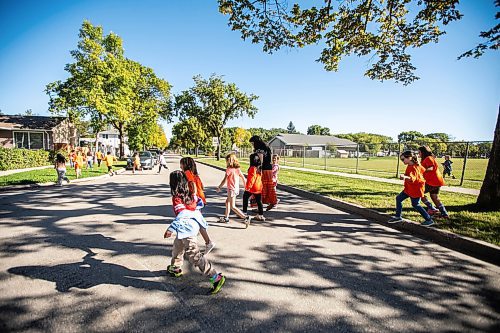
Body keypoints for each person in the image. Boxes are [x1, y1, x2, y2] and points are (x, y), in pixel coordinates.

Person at [164, 170, 225, 295]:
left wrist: (171, 228)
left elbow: (183, 214)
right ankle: (175, 267)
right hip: (190, 228)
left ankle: (215, 277)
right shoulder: (192, 195)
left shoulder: (177, 198)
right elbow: (196, 209)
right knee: (178, 246)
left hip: (186, 229)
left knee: (194, 255)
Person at [388, 151, 435, 226]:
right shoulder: (412, 165)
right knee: (398, 199)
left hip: (416, 189)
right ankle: (398, 216)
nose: (402, 161)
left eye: (403, 159)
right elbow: (422, 171)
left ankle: (429, 219)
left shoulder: (414, 167)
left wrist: (404, 177)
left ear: (409, 158)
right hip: (408, 189)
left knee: (415, 204)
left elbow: (412, 178)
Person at [180, 157, 215, 254]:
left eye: (181, 164)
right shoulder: (195, 174)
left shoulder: (187, 173)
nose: (180, 166)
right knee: (195, 221)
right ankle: (188, 243)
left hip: (195, 200)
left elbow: (192, 184)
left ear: (185, 165)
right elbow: (201, 186)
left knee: (197, 222)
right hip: (201, 199)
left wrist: (193, 194)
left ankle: (208, 242)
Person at [216, 153, 248, 224]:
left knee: (233, 206)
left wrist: (219, 187)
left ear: (229, 161)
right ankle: (226, 218)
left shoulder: (229, 170)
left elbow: (224, 180)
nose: (226, 162)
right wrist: (245, 186)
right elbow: (243, 177)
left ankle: (245, 217)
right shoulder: (237, 169)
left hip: (231, 189)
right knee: (227, 202)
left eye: (226, 161)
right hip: (236, 189)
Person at [418, 146, 449, 219]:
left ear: (423, 152)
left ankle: (432, 208)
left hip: (432, 181)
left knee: (418, 193)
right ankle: (444, 214)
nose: (418, 153)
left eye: (419, 152)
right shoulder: (427, 158)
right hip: (436, 181)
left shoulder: (428, 158)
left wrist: (422, 170)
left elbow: (431, 167)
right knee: (434, 197)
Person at [249, 135, 278, 211]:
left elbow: (260, 160)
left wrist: (258, 169)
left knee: (260, 188)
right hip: (269, 169)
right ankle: (272, 202)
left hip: (263, 170)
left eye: (252, 143)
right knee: (269, 187)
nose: (252, 145)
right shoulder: (267, 148)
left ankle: (259, 207)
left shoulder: (259, 149)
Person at [242, 153, 265, 227]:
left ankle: (244, 212)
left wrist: (248, 187)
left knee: (245, 197)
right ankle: (260, 215)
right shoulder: (259, 168)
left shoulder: (252, 168)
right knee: (259, 201)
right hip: (259, 186)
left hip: (252, 187)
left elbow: (251, 178)